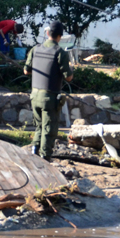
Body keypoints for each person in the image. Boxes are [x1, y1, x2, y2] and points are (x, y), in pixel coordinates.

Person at [23, 21, 73, 159]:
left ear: (47, 33)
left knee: (39, 127)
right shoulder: (60, 52)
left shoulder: (35, 49)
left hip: (34, 96)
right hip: (49, 98)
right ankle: (45, 158)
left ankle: (34, 151)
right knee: (49, 130)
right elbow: (68, 78)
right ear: (60, 36)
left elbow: (26, 71)